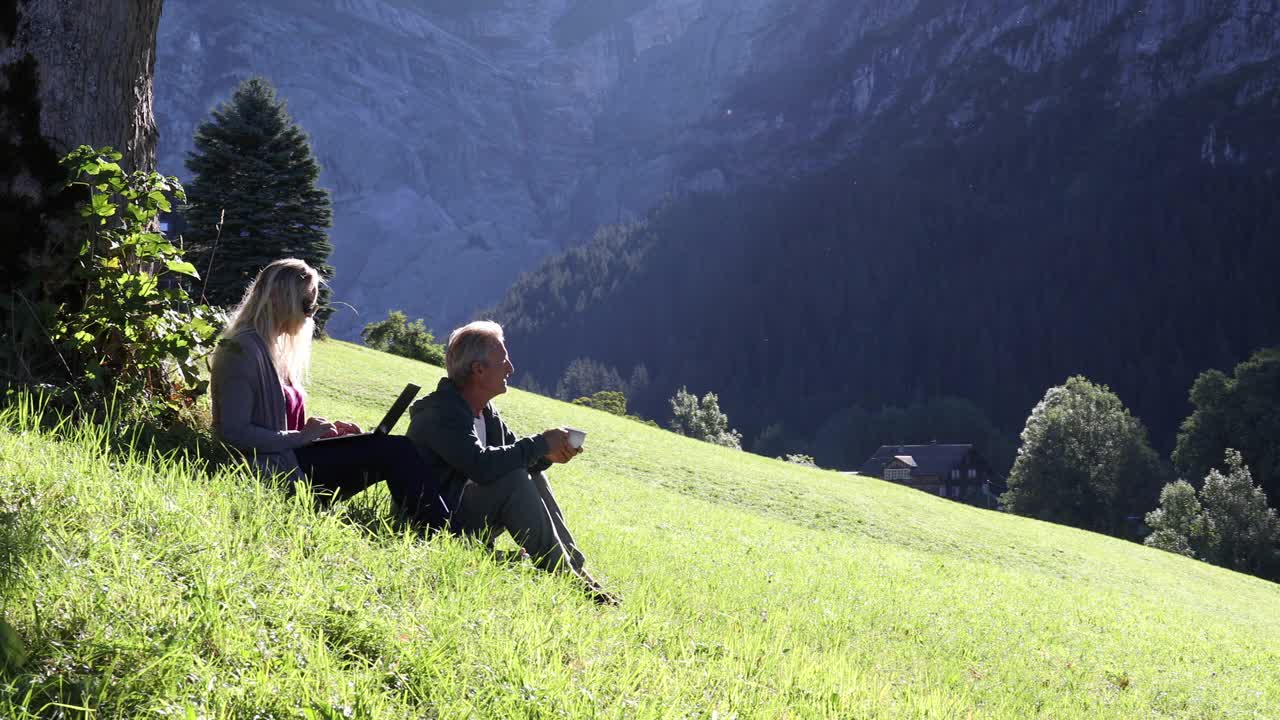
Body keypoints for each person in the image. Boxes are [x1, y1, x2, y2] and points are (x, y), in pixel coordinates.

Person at [210, 258, 447, 523]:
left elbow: (289, 430)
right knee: (395, 450)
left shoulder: (275, 348)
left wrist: (326, 437)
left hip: (292, 461)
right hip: (271, 470)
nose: (312, 314)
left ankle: (440, 526)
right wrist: (301, 437)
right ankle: (445, 531)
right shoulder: (243, 351)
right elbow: (233, 432)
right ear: (282, 299)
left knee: (382, 446)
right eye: (307, 305)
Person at [400, 320, 618, 604]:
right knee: (514, 478)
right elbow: (481, 465)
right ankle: (567, 580)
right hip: (432, 523)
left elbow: (513, 456)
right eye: (503, 360)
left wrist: (547, 454)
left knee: (531, 474)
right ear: (479, 370)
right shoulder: (441, 413)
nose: (510, 368)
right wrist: (540, 444)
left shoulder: (483, 411)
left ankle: (576, 570)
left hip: (462, 513)